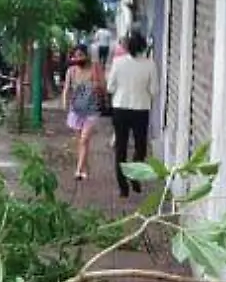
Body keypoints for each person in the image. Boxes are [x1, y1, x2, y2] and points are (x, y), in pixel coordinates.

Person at [105, 32, 157, 198]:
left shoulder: (118, 63)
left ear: (127, 47)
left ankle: (123, 188)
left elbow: (110, 87)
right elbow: (154, 90)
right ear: (143, 46)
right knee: (140, 147)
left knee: (121, 147)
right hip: (141, 109)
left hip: (120, 108)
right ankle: (135, 176)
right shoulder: (150, 65)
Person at [61, 46, 105, 181]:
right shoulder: (71, 71)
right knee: (80, 142)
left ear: (87, 56)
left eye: (81, 55)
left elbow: (103, 86)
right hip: (76, 110)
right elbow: (66, 89)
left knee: (84, 139)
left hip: (92, 109)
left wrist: (97, 86)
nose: (78, 58)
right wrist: (64, 102)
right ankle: (85, 167)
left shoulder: (94, 68)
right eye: (75, 56)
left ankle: (78, 170)